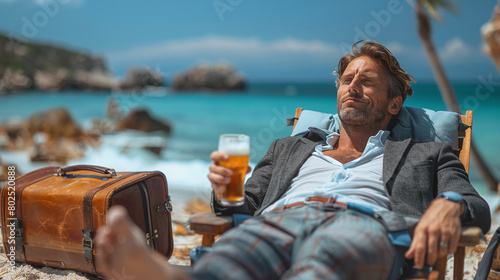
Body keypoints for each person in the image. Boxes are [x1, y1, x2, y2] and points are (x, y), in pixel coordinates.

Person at [95, 40, 491, 280]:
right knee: (239, 251)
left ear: (394, 104)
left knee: (329, 255)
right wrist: (223, 191)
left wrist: (449, 204)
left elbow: (476, 207)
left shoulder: (427, 152)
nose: (352, 86)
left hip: (364, 221)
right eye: (347, 79)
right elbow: (244, 206)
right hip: (281, 219)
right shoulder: (290, 147)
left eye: (366, 81)